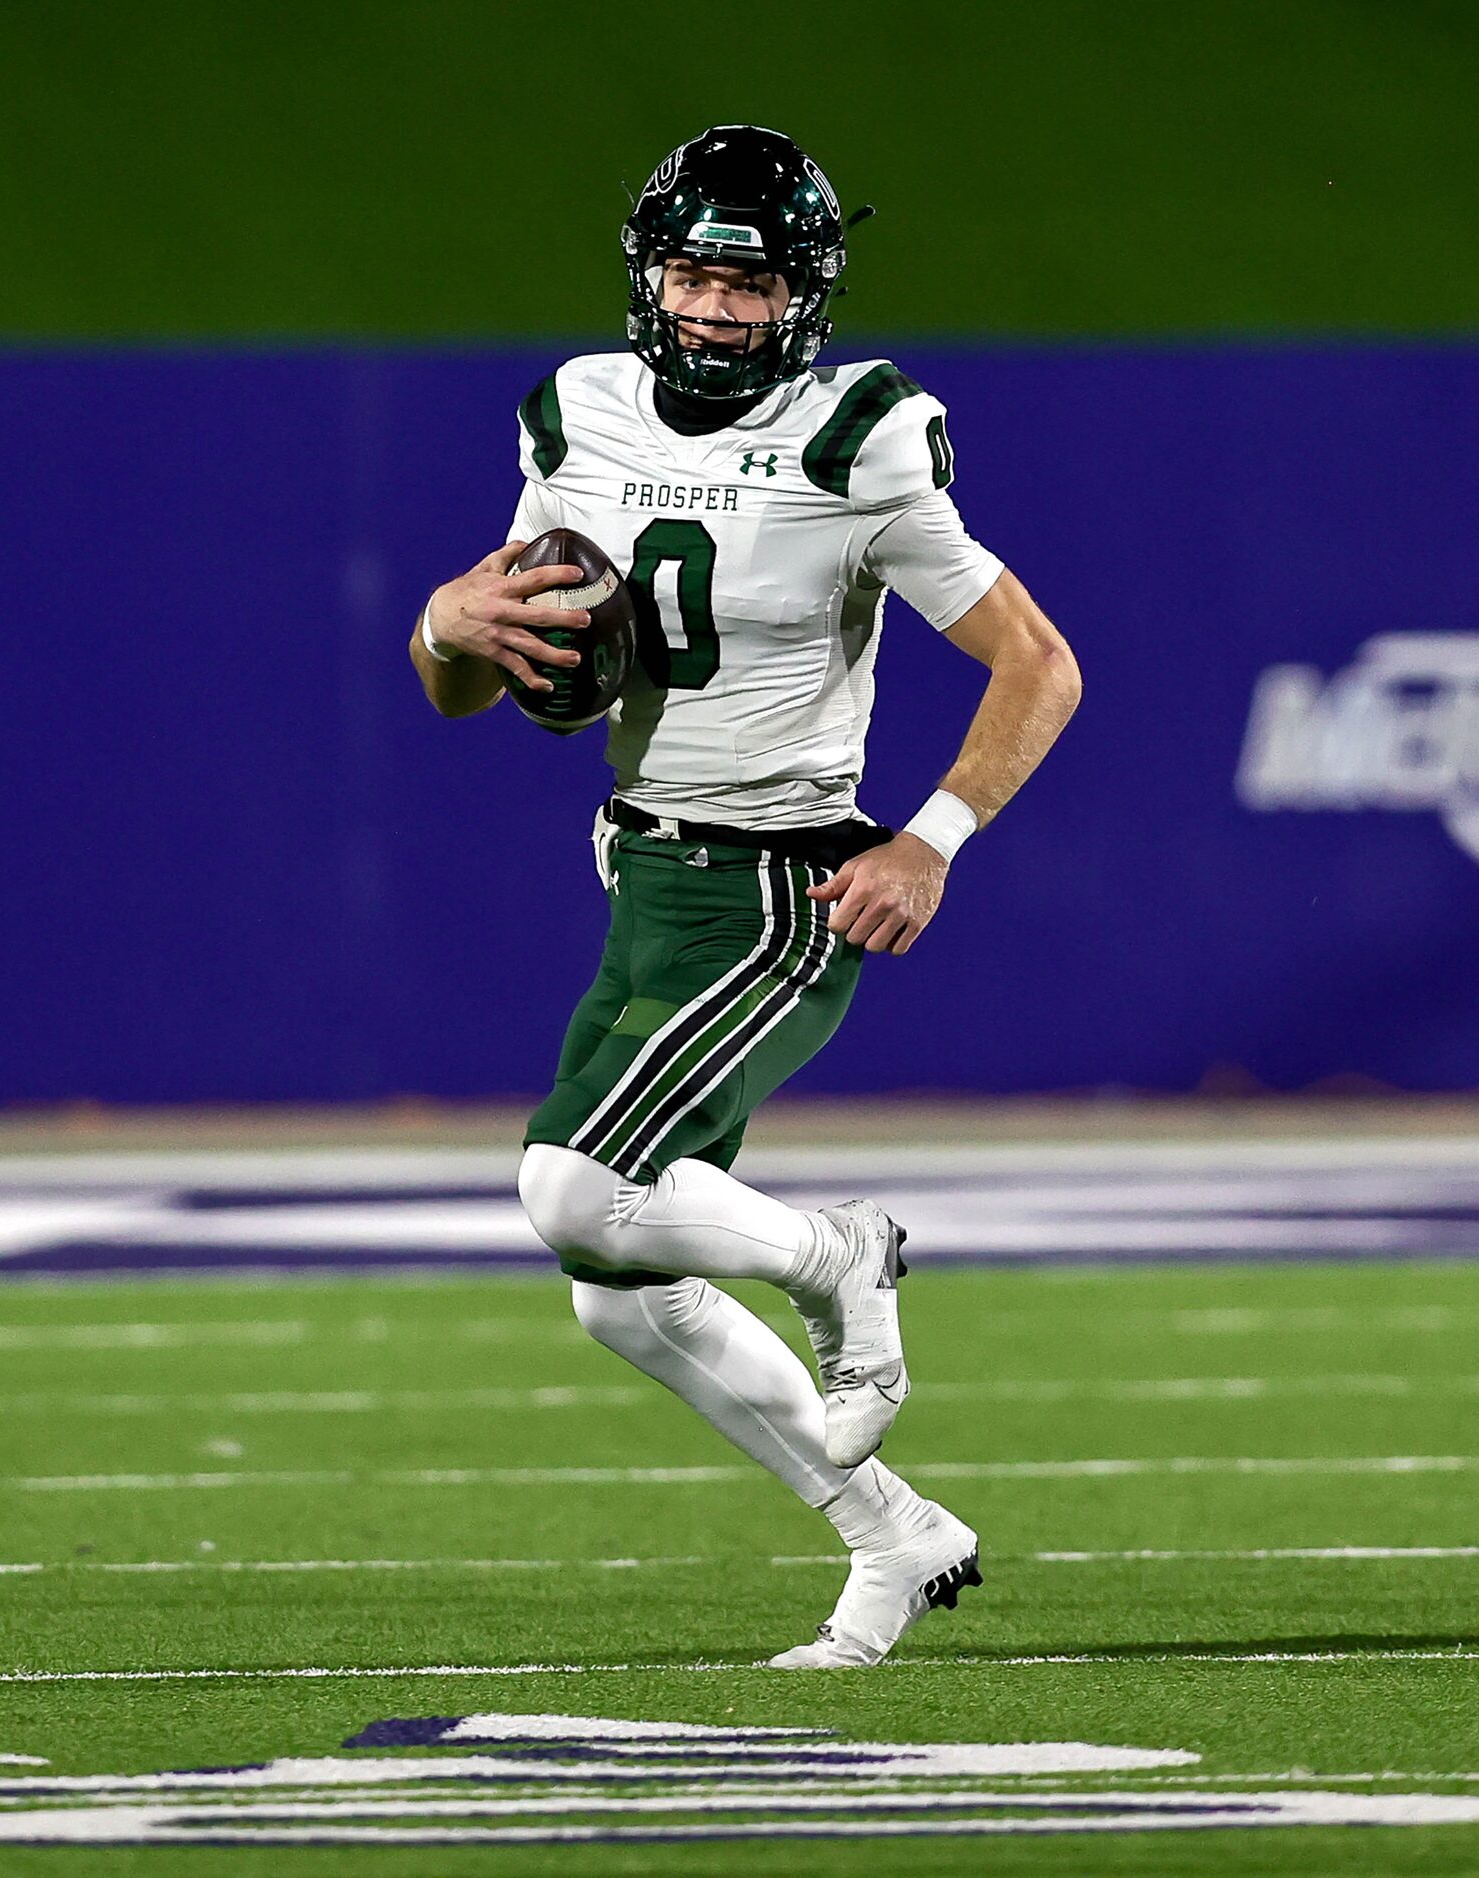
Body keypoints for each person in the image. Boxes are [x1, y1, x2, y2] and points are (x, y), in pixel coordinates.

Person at [409, 126, 1081, 1667]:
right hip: (640, 871)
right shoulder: (571, 409)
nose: (714, 308)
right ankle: (893, 1534)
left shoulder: (861, 435)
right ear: (649, 271)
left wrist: (930, 839)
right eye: (694, 271)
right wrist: (449, 624)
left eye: (751, 279)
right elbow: (469, 686)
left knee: (571, 1186)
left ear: (806, 293)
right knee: (617, 1295)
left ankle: (840, 1253)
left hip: (784, 885)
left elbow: (1038, 663)